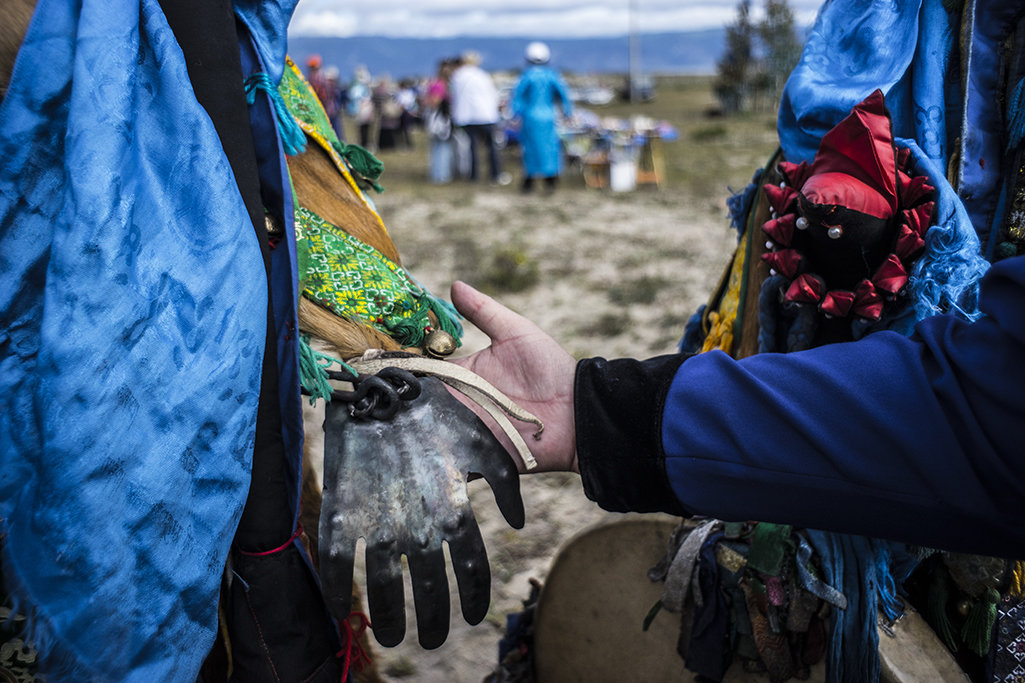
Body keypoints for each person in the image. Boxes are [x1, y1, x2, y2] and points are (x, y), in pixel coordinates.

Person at [512, 41, 572, 194]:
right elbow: (564, 96)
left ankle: (529, 182)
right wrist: (567, 112)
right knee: (550, 148)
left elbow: (517, 97)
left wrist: (515, 114)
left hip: (530, 117)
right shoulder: (552, 75)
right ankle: (550, 181)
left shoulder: (527, 76)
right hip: (549, 117)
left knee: (530, 149)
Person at [448, 50, 503, 183]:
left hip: (467, 117)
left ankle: (474, 176)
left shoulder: (457, 76)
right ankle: (495, 174)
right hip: (486, 116)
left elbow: (453, 96)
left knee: (472, 148)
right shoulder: (482, 75)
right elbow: (493, 95)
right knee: (491, 147)